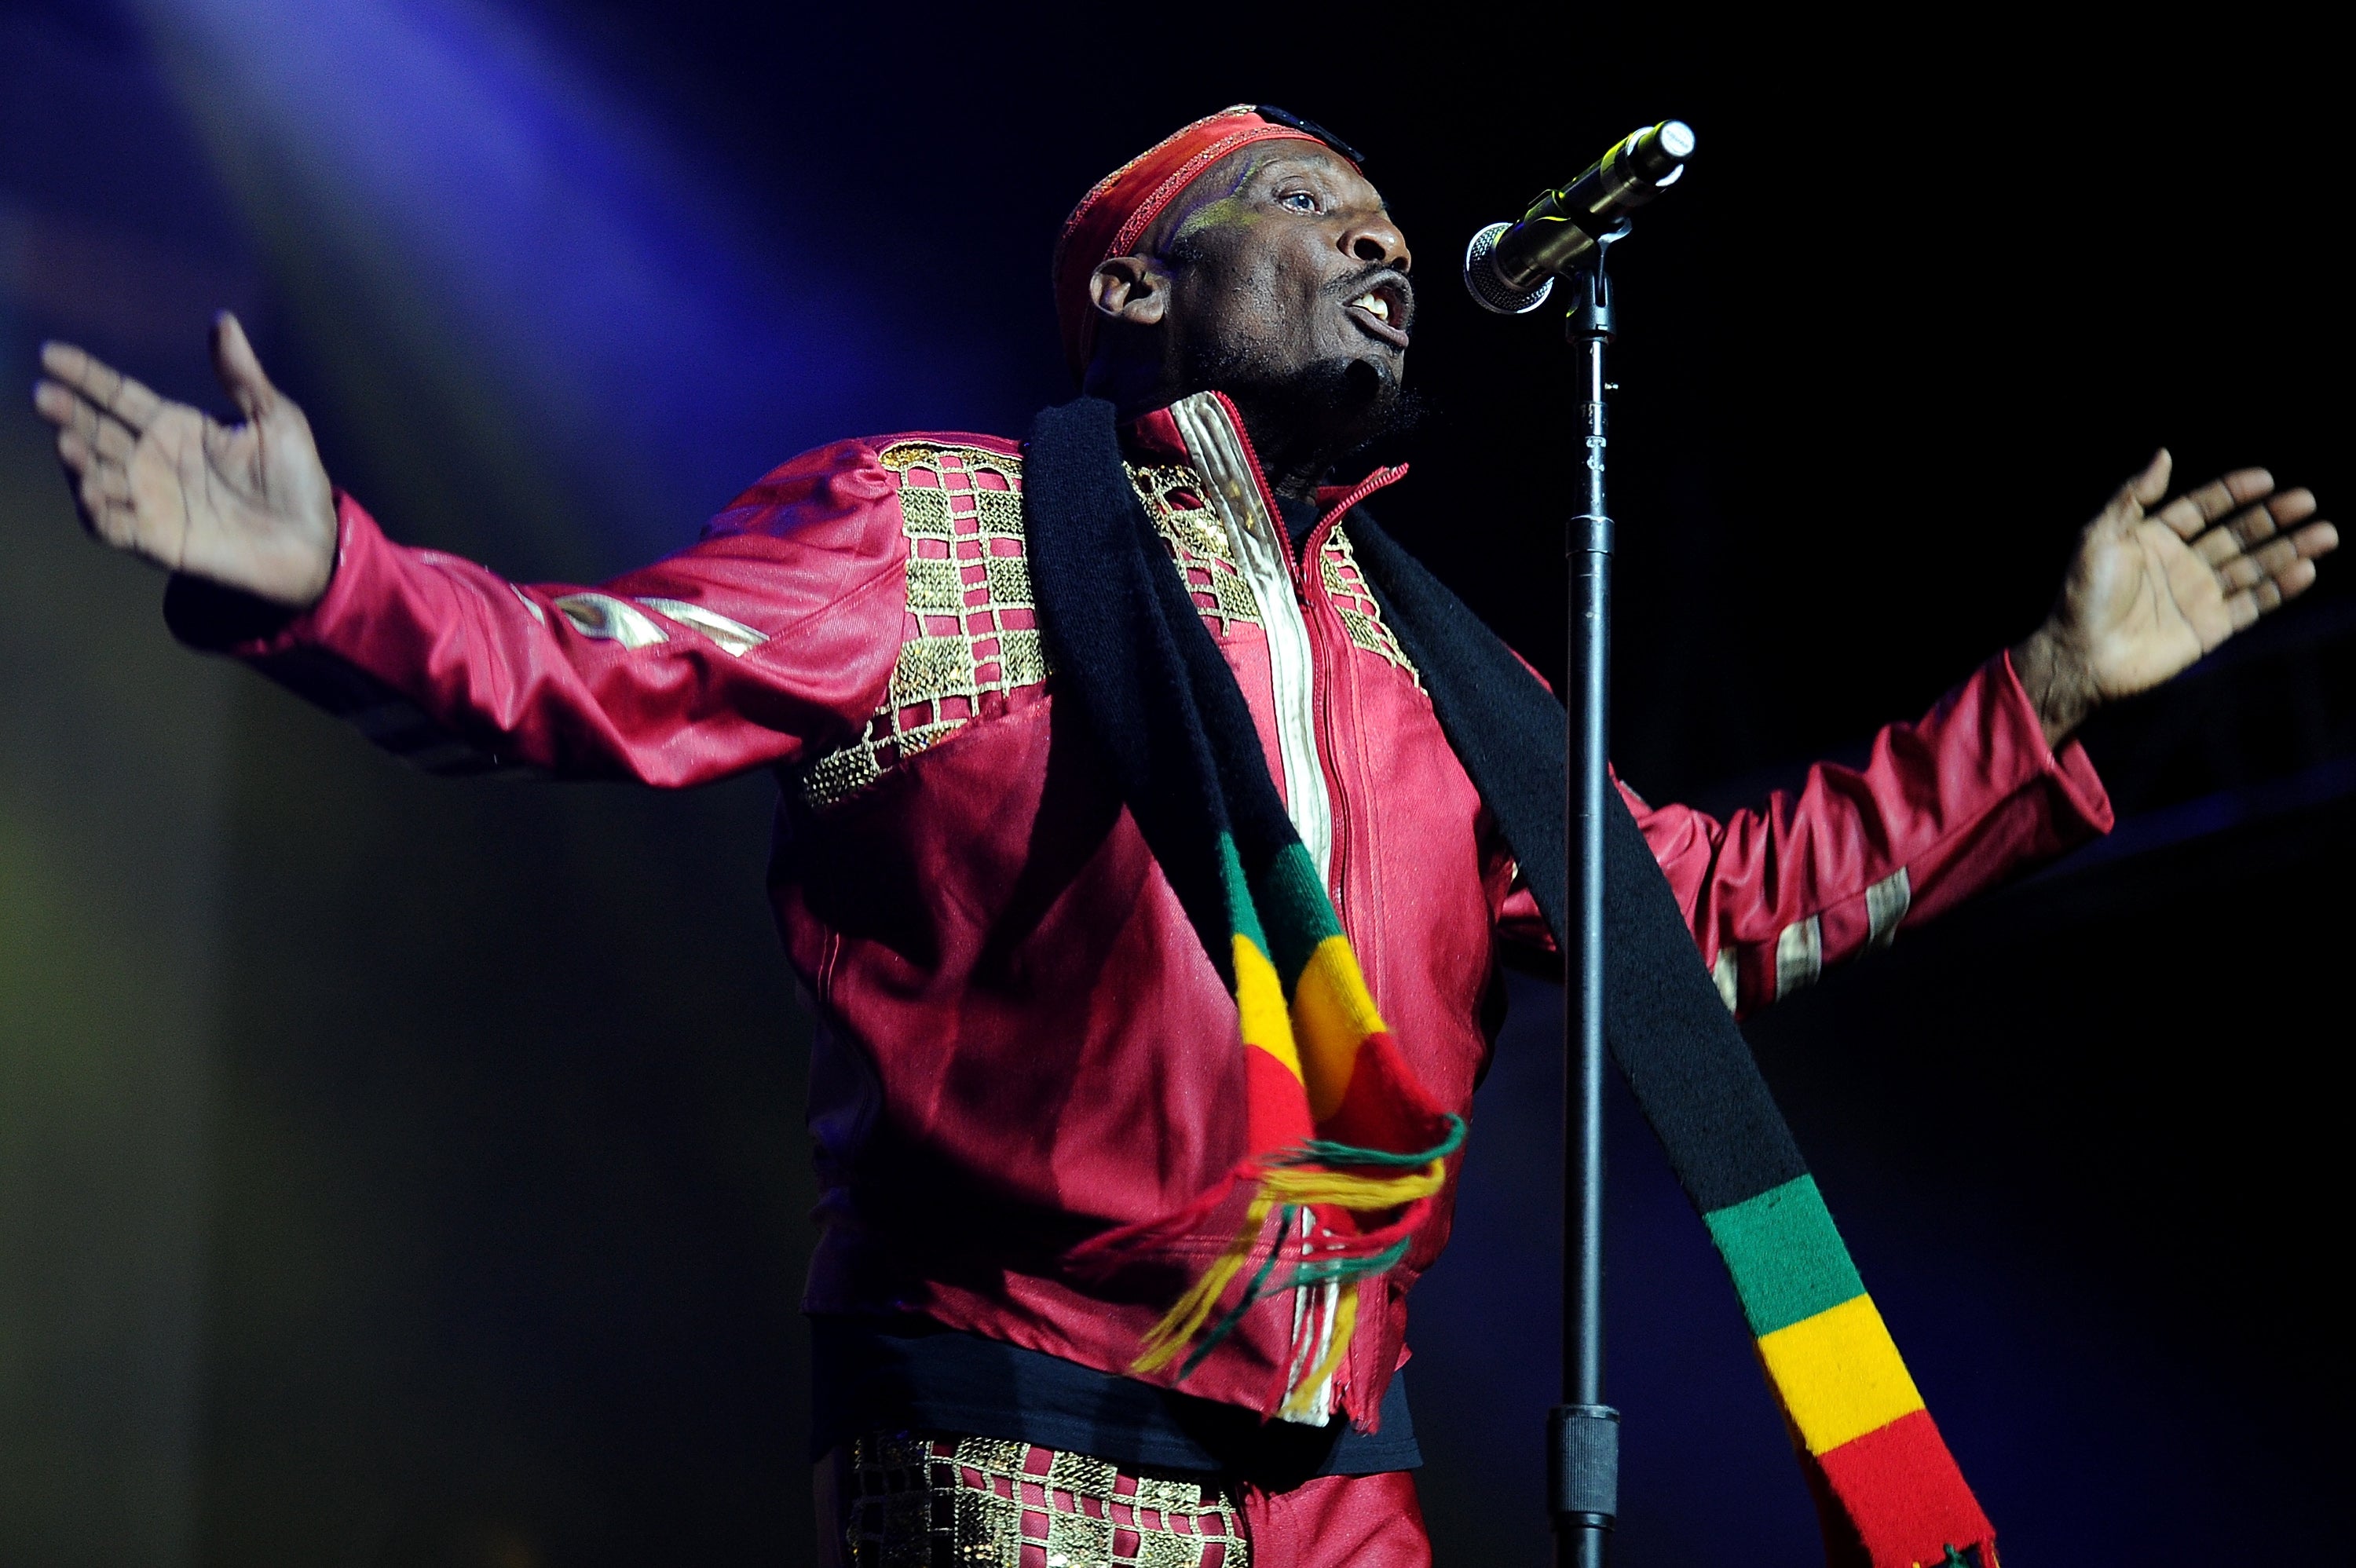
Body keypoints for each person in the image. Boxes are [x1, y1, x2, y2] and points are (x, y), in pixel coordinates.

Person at [31, 106, 2334, 1568]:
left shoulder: (1446, 673)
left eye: (1389, 221)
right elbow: (586, 665)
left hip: (1344, 1490)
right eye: (1307, 205)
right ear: (1139, 287)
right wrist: (327, 577)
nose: (1380, 240)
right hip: (1025, 1455)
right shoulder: (941, 538)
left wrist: (2042, 691)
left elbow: (1707, 929)